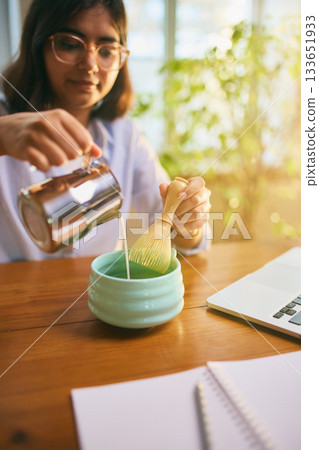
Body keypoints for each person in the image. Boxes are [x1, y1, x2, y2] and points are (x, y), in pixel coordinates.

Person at [0, 0, 211, 264]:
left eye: (106, 50)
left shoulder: (125, 138)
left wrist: (188, 220)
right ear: (38, 45)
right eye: (70, 44)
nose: (90, 64)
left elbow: (182, 240)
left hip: (93, 299)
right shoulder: (4, 123)